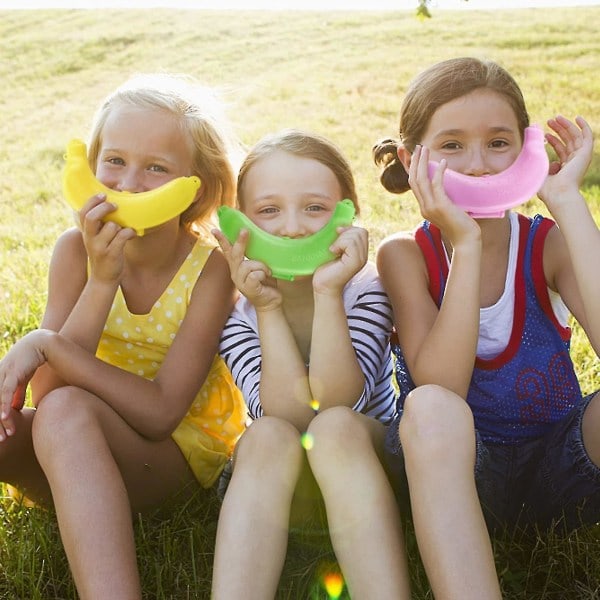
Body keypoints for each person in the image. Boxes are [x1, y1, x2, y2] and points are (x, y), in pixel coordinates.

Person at [0, 72, 247, 598]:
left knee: (68, 411)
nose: (128, 184)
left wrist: (47, 344)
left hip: (170, 459)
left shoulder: (212, 271)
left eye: (156, 168)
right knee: (52, 413)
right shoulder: (73, 253)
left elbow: (160, 415)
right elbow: (43, 397)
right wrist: (101, 279)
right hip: (74, 441)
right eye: (114, 161)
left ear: (195, 188)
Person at [373, 56, 599, 600]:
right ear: (412, 158)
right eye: (452, 146)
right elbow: (441, 384)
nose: (478, 166)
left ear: (525, 150)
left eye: (498, 143)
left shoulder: (547, 244)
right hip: (457, 477)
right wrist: (466, 245)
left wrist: (567, 201)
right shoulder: (405, 256)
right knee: (428, 406)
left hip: (557, 466)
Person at [211, 129, 411, 599]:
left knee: (335, 427)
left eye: (315, 208)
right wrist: (267, 308)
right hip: (277, 490)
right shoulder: (235, 313)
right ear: (242, 223)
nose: (293, 227)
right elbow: (289, 417)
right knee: (265, 434)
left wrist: (327, 293)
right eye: (268, 210)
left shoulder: (367, 290)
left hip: (367, 476)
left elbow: (336, 401)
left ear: (348, 217)